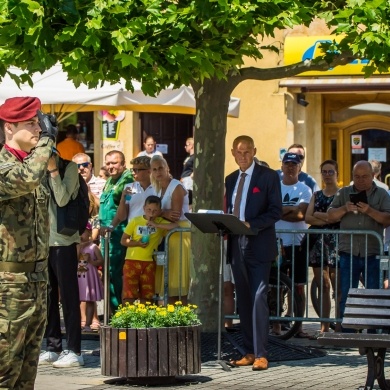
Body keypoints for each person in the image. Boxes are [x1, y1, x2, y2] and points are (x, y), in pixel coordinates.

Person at [0, 96, 57, 389]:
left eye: (39, 123)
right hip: (8, 284)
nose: (38, 129)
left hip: (36, 280)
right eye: (31, 123)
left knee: (27, 373)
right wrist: (47, 141)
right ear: (9, 128)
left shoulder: (34, 164)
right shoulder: (5, 166)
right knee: (5, 370)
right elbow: (27, 178)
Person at [225, 135, 282, 371]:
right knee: (244, 300)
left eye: (247, 151)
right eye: (239, 152)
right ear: (232, 153)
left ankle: (261, 353)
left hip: (259, 244)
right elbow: (229, 209)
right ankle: (248, 351)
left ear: (254, 151)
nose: (243, 156)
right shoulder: (230, 179)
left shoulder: (268, 176)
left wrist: (252, 224)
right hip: (237, 245)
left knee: (259, 298)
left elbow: (276, 210)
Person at [327, 160, 390, 329]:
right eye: (357, 177)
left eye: (365, 177)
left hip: (373, 252)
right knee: (346, 294)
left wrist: (369, 210)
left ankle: (372, 332)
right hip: (348, 251)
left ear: (372, 176)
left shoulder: (382, 194)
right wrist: (345, 209)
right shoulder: (344, 193)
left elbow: (387, 219)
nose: (361, 180)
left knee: (373, 295)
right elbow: (330, 216)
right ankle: (347, 330)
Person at [39, 153, 84, 368]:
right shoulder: (34, 167)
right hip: (42, 241)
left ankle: (75, 350)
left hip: (63, 241)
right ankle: (53, 346)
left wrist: (53, 171)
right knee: (47, 296)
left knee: (68, 296)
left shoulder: (70, 168)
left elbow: (63, 199)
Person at [275, 152, 312, 338]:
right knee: (275, 285)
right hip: (277, 244)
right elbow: (271, 211)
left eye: (294, 164)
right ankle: (276, 324)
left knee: (298, 286)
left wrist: (280, 210)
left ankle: (297, 324)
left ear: (300, 167)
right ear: (281, 166)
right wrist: (291, 209)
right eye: (287, 164)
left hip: (297, 243)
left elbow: (301, 215)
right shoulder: (274, 187)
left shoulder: (305, 189)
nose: (290, 167)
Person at [305, 160, 341, 336]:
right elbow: (308, 218)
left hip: (336, 244)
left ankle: (340, 326)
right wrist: (327, 218)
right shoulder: (317, 194)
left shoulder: (343, 195)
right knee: (323, 285)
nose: (327, 175)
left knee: (337, 286)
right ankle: (324, 326)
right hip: (317, 245)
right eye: (324, 172)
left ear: (337, 174)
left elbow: (339, 218)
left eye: (331, 172)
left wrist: (322, 216)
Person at [120, 196, 178, 303]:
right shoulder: (135, 221)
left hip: (149, 262)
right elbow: (123, 240)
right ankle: (127, 318)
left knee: (147, 295)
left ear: (160, 211)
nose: (151, 213)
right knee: (129, 294)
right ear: (144, 208)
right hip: (132, 261)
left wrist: (157, 224)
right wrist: (137, 243)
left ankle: (144, 318)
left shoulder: (160, 222)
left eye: (155, 211)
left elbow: (176, 226)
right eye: (149, 210)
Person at [150, 155, 191, 304]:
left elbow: (175, 215)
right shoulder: (157, 189)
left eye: (160, 168)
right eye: (154, 169)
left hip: (179, 234)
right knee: (167, 283)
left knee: (178, 282)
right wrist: (162, 213)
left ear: (167, 168)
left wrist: (161, 212)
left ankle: (184, 321)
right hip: (166, 234)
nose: (158, 172)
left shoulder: (176, 186)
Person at [99, 150, 133, 313]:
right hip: (106, 237)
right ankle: (113, 313)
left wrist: (111, 227)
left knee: (115, 275)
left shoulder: (127, 181)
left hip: (118, 235)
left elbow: (125, 208)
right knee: (108, 276)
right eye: (108, 163)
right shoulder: (109, 181)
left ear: (123, 164)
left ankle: (120, 313)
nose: (110, 166)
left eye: (114, 163)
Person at [110, 156, 155, 228]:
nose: (133, 173)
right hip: (133, 234)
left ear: (149, 171)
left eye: (136, 170)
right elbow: (122, 217)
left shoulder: (159, 188)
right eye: (132, 169)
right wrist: (122, 199)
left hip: (154, 233)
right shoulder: (129, 187)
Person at [78, 223, 104, 331]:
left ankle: (88, 323)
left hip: (90, 275)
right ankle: (80, 321)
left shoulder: (93, 247)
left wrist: (91, 261)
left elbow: (101, 260)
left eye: (83, 232)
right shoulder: (78, 246)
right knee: (79, 299)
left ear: (89, 233)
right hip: (80, 274)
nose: (81, 235)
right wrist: (79, 247)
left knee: (90, 299)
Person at [181, 137, 194, 206]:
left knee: (188, 199)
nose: (185, 147)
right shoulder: (188, 157)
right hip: (185, 180)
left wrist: (193, 174)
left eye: (186, 145)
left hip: (189, 181)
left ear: (191, 145)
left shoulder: (195, 157)